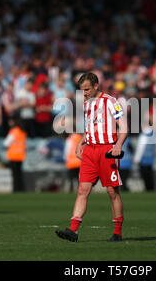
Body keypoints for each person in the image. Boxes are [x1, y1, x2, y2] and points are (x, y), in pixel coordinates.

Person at [56, 72, 128, 242]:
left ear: (96, 86)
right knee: (82, 190)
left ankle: (117, 232)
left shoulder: (111, 102)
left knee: (112, 192)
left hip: (107, 150)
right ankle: (73, 230)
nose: (84, 93)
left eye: (87, 89)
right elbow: (92, 126)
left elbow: (124, 127)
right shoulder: (87, 104)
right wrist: (82, 141)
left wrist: (118, 145)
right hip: (90, 150)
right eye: (82, 90)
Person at [4, 118, 27, 192]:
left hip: (13, 156)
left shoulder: (14, 132)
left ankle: (15, 189)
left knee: (14, 175)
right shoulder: (22, 132)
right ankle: (21, 189)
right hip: (20, 156)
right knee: (19, 174)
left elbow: (6, 143)